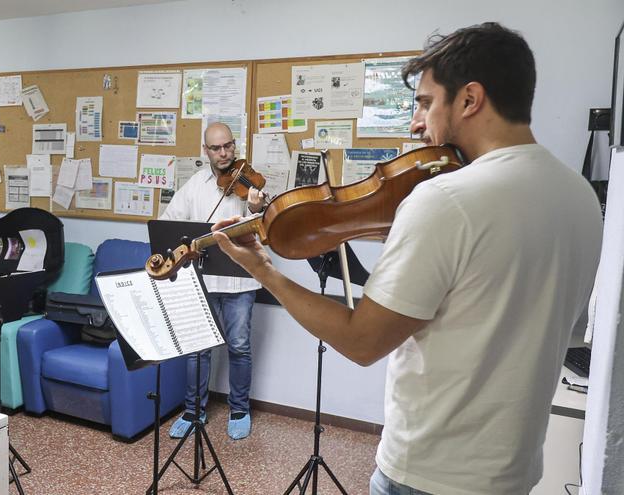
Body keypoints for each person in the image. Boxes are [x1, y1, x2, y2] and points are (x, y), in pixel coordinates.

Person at [213, 23, 603, 493]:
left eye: (424, 103)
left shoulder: (446, 198)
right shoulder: (581, 196)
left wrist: (263, 270)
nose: (418, 124)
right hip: (515, 473)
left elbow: (362, 342)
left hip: (429, 473)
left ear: (469, 99)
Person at [160, 122, 266, 440]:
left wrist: (257, 208)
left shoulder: (250, 182)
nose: (223, 154)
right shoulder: (195, 184)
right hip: (203, 279)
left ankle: (239, 409)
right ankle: (194, 411)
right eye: (216, 148)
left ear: (235, 145)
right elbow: (168, 222)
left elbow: (266, 230)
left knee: (240, 346)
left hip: (240, 281)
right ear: (205, 150)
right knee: (197, 349)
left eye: (228, 146)